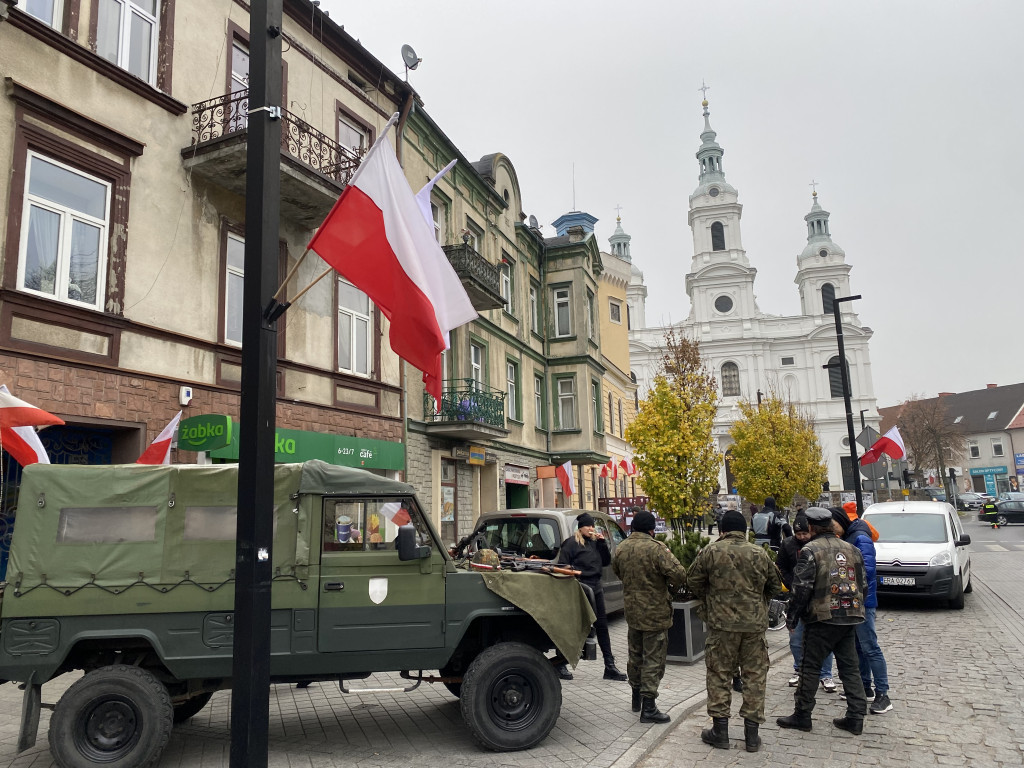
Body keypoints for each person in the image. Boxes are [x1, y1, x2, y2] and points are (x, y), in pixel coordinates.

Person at [688, 508, 782, 752]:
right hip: (754, 626)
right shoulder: (760, 553)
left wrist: (711, 599)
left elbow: (693, 581)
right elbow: (775, 585)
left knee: (719, 675)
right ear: (745, 530)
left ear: (722, 531)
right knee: (754, 677)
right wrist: (757, 603)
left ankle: (720, 731)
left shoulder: (711, 551)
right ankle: (752, 736)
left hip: (721, 626)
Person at [777, 506, 868, 735]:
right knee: (850, 668)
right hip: (850, 615)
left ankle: (802, 715)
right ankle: (856, 716)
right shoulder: (852, 549)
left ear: (812, 527)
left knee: (810, 667)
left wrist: (793, 617)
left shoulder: (810, 550)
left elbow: (801, 589)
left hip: (821, 618)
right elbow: (863, 585)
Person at [611, 509, 688, 724]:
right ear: (652, 529)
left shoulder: (622, 548)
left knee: (635, 655)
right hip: (655, 613)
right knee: (653, 659)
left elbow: (617, 570)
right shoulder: (657, 549)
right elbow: (680, 574)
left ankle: (636, 698)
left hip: (633, 612)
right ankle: (649, 707)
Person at [556, 512, 627, 682]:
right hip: (580, 588)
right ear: (580, 528)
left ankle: (609, 666)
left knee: (602, 626)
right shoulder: (571, 544)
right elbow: (562, 566)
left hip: (596, 587)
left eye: (592, 526)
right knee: (574, 629)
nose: (591, 529)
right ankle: (560, 663)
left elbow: (605, 562)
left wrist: (603, 544)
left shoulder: (595, 543)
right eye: (588, 526)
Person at [837, 507, 893, 715]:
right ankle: (864, 686)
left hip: (864, 601)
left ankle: (883, 694)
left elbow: (867, 569)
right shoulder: (852, 535)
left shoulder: (860, 537)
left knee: (870, 646)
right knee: (859, 646)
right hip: (855, 599)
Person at [776, 513, 836, 691]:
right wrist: (790, 582)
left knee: (822, 640)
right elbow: (781, 566)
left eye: (804, 534)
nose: (802, 537)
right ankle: (798, 669)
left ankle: (826, 674)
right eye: (798, 534)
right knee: (795, 638)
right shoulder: (787, 545)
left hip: (818, 598)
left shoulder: (817, 546)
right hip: (796, 595)